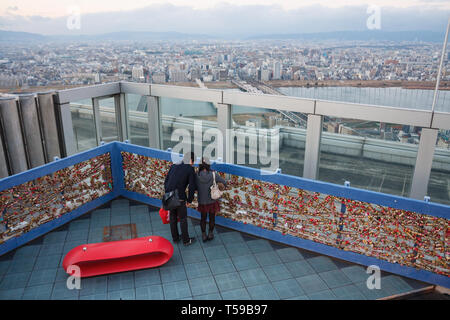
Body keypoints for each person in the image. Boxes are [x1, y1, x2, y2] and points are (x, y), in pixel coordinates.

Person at [164, 152, 197, 246]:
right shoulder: (190, 169)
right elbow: (192, 186)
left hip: (169, 196)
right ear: (191, 160)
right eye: (193, 162)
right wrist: (189, 200)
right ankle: (186, 240)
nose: (193, 164)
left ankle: (175, 238)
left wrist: (168, 193)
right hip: (180, 197)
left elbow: (166, 181)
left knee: (172, 217)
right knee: (183, 218)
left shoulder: (174, 165)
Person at [195, 157, 227, 242]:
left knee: (203, 218)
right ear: (208, 165)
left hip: (202, 201)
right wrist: (218, 186)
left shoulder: (196, 175)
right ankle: (210, 233)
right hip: (212, 201)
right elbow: (224, 182)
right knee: (212, 218)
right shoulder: (213, 174)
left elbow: (193, 187)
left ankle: (203, 235)